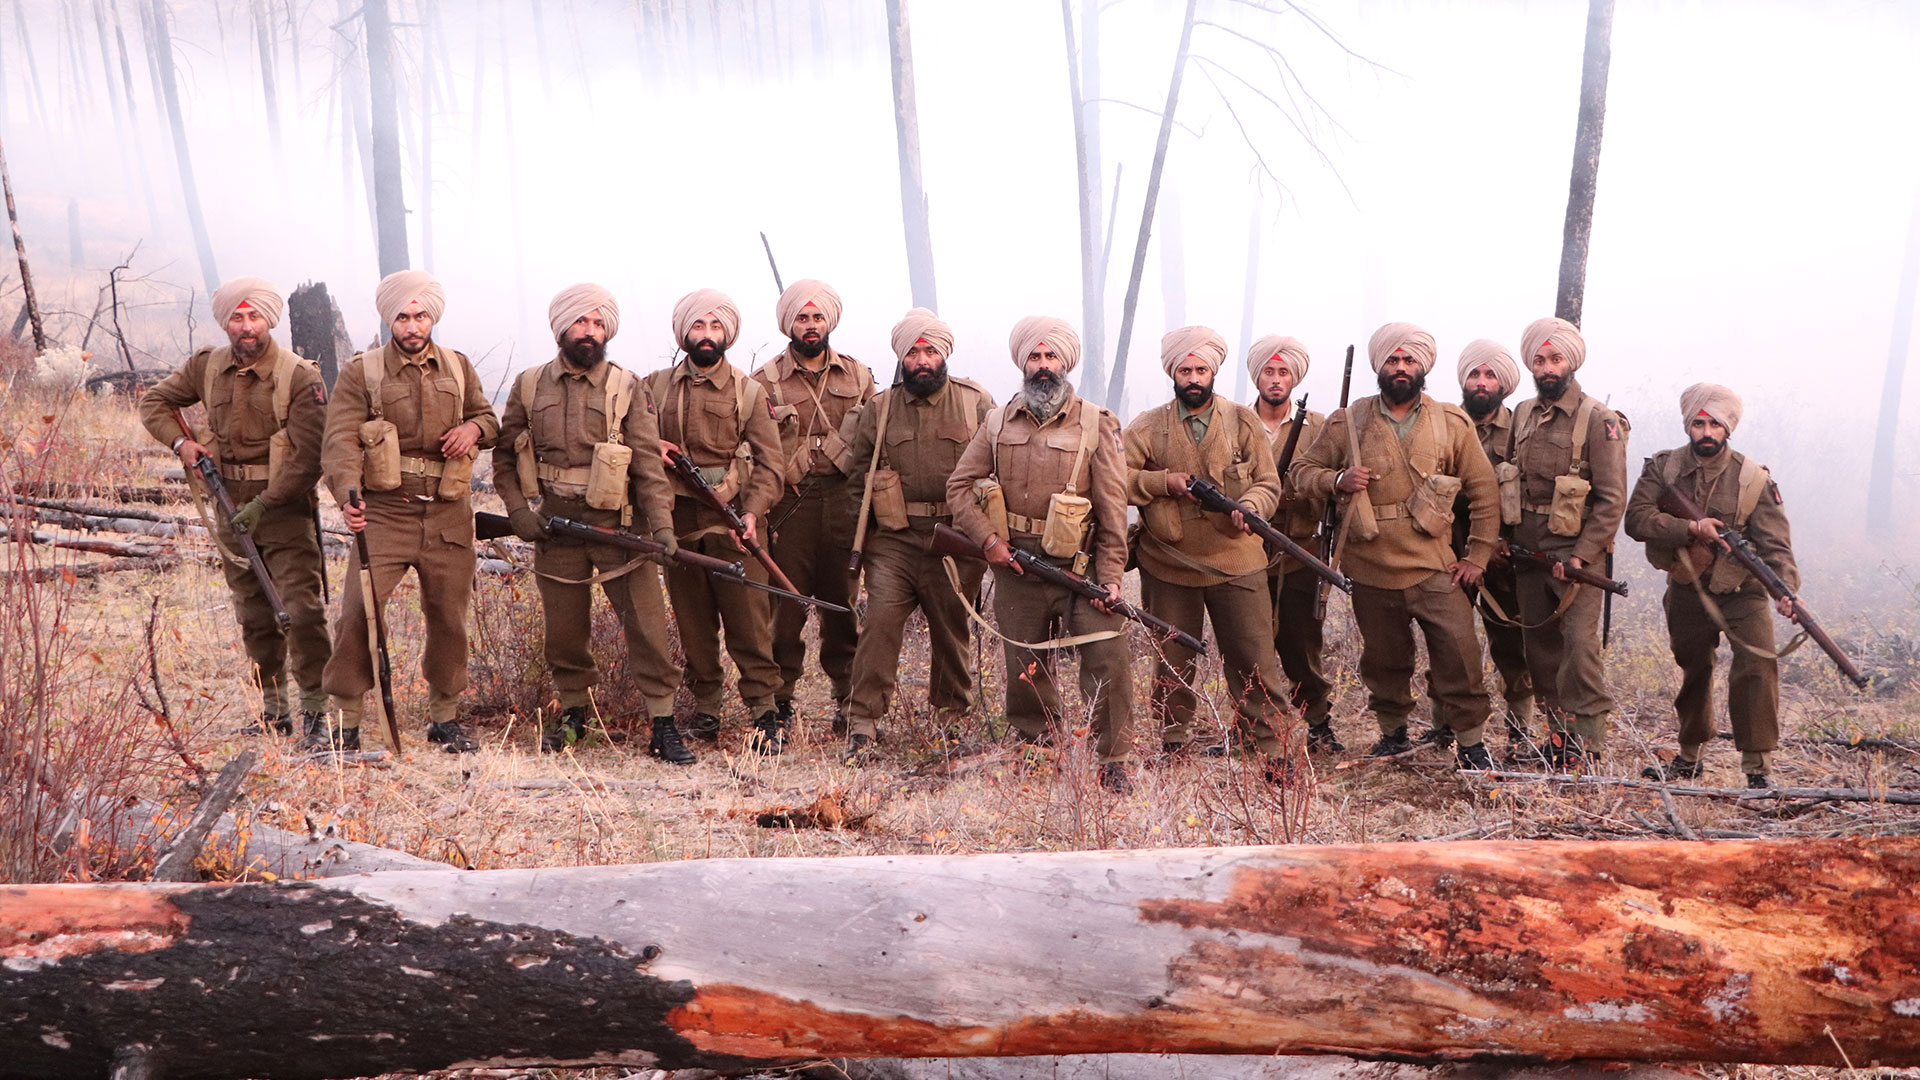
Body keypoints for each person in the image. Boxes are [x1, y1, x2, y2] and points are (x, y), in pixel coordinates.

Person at [492, 284, 691, 762]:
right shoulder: (529, 385)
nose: (590, 332)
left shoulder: (628, 386)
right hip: (557, 527)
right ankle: (573, 717)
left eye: (599, 324)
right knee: (564, 631)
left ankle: (663, 724)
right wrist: (518, 512)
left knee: (647, 628)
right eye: (581, 322)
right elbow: (504, 458)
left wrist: (662, 527)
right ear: (562, 327)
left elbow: (648, 465)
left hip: (620, 528)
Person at [1289, 322, 1501, 770]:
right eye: (1392, 360)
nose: (1401, 367)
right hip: (1370, 567)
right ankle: (1392, 734)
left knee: (1459, 657)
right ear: (1379, 367)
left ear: (1423, 366)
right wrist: (1337, 479)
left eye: (1409, 360)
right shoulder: (1349, 421)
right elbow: (1302, 471)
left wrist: (1477, 556)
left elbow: (1484, 491)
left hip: (1435, 566)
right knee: (1385, 661)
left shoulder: (1451, 422)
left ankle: (1470, 743)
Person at [946, 316, 1136, 793]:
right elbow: (959, 487)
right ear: (1023, 363)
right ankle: (1038, 749)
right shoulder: (997, 421)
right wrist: (989, 542)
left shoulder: (1098, 422)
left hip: (1079, 568)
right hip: (1016, 565)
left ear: (1065, 363)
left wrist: (1111, 577)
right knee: (1024, 666)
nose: (1043, 365)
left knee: (1107, 656)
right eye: (1035, 356)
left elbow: (1114, 509)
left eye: (1051, 356)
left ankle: (1112, 759)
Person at [138, 277, 331, 744]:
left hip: (283, 510)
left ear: (269, 321)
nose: (246, 327)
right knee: (254, 613)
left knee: (300, 610)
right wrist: (182, 443)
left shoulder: (299, 376)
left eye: (255, 317)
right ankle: (273, 710)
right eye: (237, 318)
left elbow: (310, 458)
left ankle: (315, 711)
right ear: (226, 322)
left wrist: (265, 504)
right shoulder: (207, 366)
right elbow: (154, 402)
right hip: (229, 504)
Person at [319, 270, 498, 753]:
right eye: (402, 317)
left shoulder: (458, 366)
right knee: (359, 612)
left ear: (432, 318)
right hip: (385, 513)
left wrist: (474, 430)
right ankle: (347, 722)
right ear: (389, 320)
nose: (413, 326)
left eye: (420, 316)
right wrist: (348, 496)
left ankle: (445, 718)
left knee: (449, 617)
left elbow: (487, 416)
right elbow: (339, 439)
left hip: (448, 513)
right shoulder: (362, 372)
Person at [1124, 326, 1294, 772]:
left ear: (1213, 371)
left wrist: (1250, 508)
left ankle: (1271, 747)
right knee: (1171, 662)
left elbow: (1268, 483)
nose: (1194, 378)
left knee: (1254, 659)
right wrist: (1163, 482)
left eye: (1201, 369)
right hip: (1169, 563)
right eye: (1185, 370)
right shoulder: (1146, 427)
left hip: (1237, 561)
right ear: (1173, 374)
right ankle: (1173, 742)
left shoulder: (1242, 422)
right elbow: (1114, 478)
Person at [835, 308, 994, 763]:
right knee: (880, 622)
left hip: (957, 539)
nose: (921, 360)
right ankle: (863, 723)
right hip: (895, 541)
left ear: (944, 354)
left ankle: (950, 723)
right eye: (912, 352)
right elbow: (858, 480)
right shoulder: (880, 408)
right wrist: (862, 542)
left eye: (930, 351)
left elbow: (997, 468)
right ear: (901, 357)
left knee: (951, 630)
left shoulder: (975, 402)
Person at [1624, 383, 1797, 789]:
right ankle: (1690, 757)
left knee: (1757, 667)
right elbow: (1636, 519)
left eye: (1715, 425)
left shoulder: (1753, 479)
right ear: (1688, 425)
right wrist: (1691, 528)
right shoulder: (1663, 468)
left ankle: (1757, 768)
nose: (1706, 432)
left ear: (1728, 428)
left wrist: (1786, 589)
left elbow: (1776, 544)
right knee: (1694, 670)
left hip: (1743, 590)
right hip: (1687, 586)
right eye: (1699, 424)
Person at [643, 289, 788, 752]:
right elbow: (627, 440)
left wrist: (752, 513)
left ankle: (764, 713)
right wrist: (652, 446)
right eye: (698, 326)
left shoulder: (749, 392)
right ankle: (706, 711)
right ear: (683, 332)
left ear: (728, 333)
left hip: (734, 523)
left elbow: (771, 465)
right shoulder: (653, 388)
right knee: (693, 625)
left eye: (715, 326)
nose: (707, 335)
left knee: (750, 625)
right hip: (678, 519)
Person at [751, 280, 873, 736]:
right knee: (785, 608)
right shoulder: (764, 380)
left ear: (829, 322)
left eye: (818, 317)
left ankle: (847, 698)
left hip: (843, 501)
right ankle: (780, 701)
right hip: (790, 505)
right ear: (789, 324)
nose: (810, 325)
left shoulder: (858, 376)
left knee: (842, 606)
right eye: (802, 318)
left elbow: (873, 441)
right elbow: (755, 447)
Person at [1507, 317, 1628, 770]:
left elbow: (1612, 499)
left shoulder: (1599, 419)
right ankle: (1559, 738)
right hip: (1527, 552)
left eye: (1555, 359)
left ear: (1571, 363)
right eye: (1539, 360)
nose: (1547, 368)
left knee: (1578, 649)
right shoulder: (1522, 413)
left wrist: (1581, 555)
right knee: (1539, 649)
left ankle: (1588, 744)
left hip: (1576, 553)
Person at [1246, 334, 1337, 752]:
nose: (1276, 379)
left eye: (1283, 372)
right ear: (1257, 376)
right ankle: (1252, 727)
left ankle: (1318, 722)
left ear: (1294, 378)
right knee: (1249, 645)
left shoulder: (1319, 427)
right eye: (1269, 371)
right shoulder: (1237, 422)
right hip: (1247, 552)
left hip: (1300, 551)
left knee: (1301, 645)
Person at [1448, 338, 1535, 759]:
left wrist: (1503, 544)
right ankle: (1444, 726)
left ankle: (1520, 730)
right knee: (1448, 641)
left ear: (1504, 384)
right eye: (1474, 374)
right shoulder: (1444, 424)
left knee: (1512, 645)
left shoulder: (1521, 429)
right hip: (1448, 549)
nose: (1481, 382)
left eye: (1490, 375)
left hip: (1502, 555)